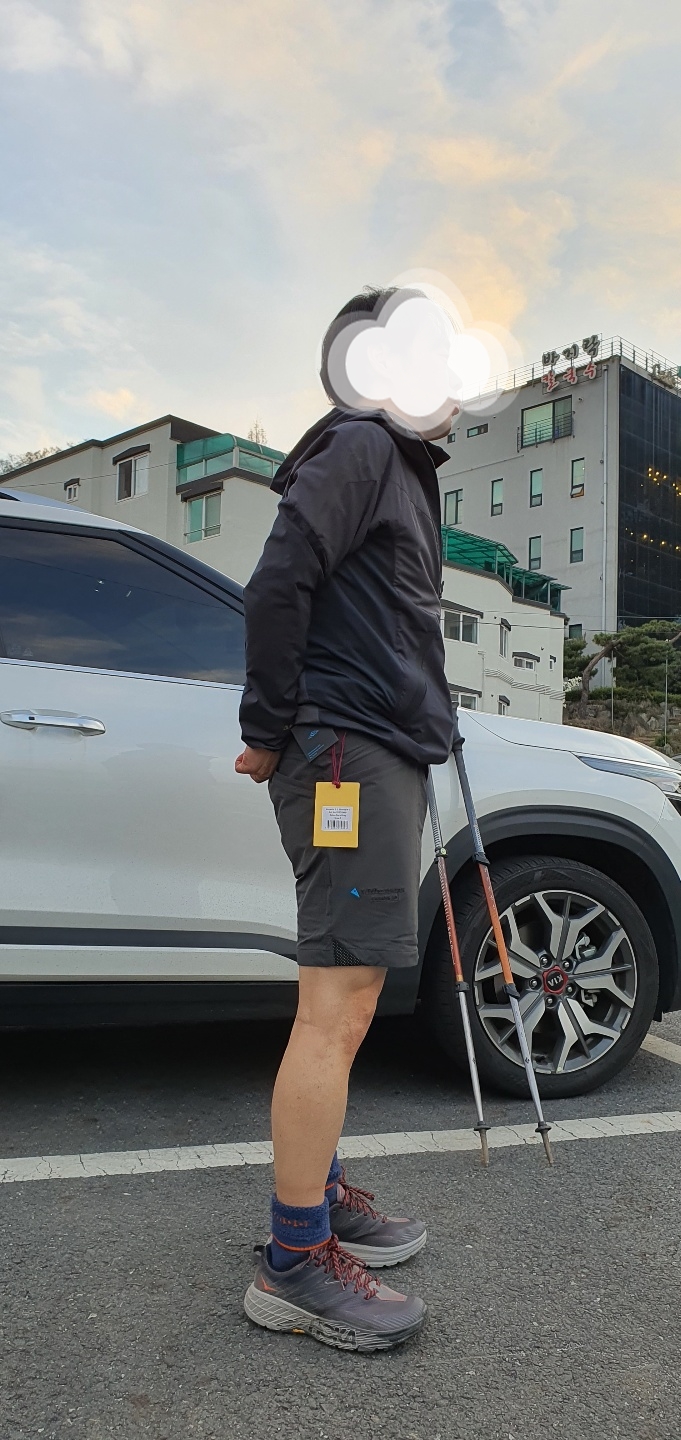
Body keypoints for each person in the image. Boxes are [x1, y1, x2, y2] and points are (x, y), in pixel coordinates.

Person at [235, 286, 457, 1351]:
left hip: (372, 744)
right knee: (337, 1004)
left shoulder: (395, 465)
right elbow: (276, 582)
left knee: (350, 1000)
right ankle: (293, 1262)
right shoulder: (363, 446)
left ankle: (317, 1200)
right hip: (343, 749)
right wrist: (269, 725)